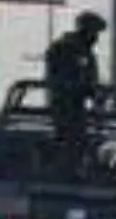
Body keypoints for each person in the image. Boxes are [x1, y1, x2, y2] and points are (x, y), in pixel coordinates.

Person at [44, 11, 106, 179]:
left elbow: (91, 82)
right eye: (94, 32)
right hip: (64, 107)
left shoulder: (87, 54)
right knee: (70, 140)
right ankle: (62, 167)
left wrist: (96, 96)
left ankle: (75, 168)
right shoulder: (63, 49)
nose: (95, 38)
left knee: (81, 142)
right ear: (84, 31)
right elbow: (62, 81)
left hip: (77, 109)